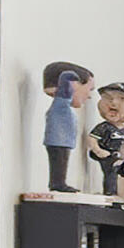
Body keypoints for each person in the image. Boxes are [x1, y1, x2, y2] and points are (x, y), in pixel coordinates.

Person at [40, 63, 93, 193]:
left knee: (62, 163)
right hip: (58, 141)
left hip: (63, 141)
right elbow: (65, 85)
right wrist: (69, 78)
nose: (90, 96)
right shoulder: (61, 102)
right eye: (89, 89)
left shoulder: (63, 106)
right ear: (74, 85)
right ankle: (58, 183)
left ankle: (59, 182)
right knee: (59, 162)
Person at [88, 82, 124, 193]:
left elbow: (123, 145)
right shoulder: (104, 127)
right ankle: (109, 192)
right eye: (109, 98)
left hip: (115, 155)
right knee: (110, 171)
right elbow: (92, 139)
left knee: (119, 172)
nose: (114, 103)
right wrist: (98, 150)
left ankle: (113, 191)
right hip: (104, 154)